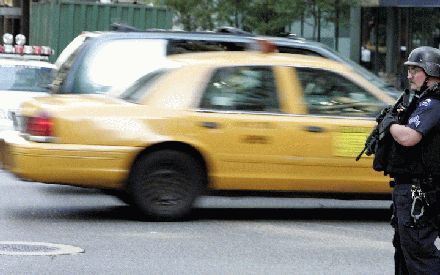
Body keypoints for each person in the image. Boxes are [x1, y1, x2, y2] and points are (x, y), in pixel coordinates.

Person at [383, 46, 440, 274]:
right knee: (406, 253)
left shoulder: (433, 103)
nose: (409, 75)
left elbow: (408, 138)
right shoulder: (420, 100)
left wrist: (390, 125)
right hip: (413, 188)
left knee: (419, 254)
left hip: (421, 191)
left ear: (431, 72)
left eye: (414, 70)